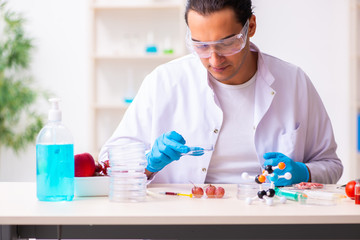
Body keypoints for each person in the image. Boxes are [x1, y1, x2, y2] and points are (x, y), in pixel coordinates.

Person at [99, 0, 343, 186]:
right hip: (182, 223)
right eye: (201, 46)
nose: (214, 59)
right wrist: (147, 163)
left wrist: (304, 172)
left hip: (268, 220)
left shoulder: (294, 82)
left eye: (227, 44)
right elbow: (108, 163)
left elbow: (331, 165)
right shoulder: (164, 81)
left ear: (252, 26)